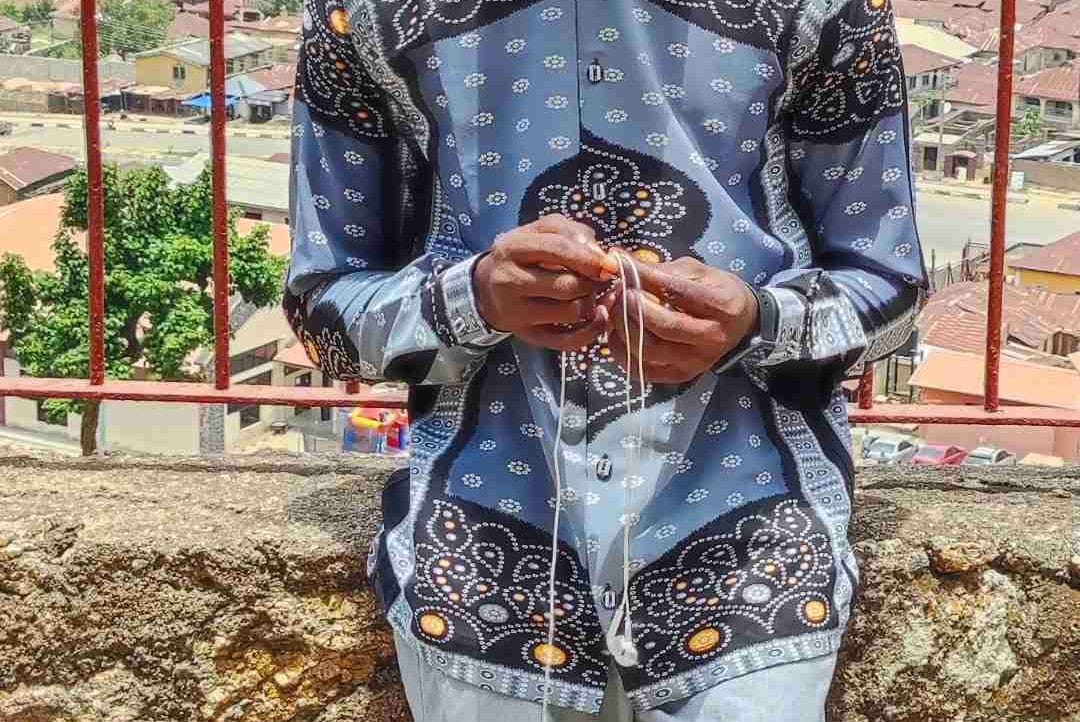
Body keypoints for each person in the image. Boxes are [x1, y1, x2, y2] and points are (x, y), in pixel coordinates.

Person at [284, 0, 926, 718]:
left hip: (753, 562)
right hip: (478, 573)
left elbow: (891, 290)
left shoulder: (826, 8)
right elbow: (322, 309)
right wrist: (470, 299)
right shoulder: (362, 12)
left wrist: (757, 321)